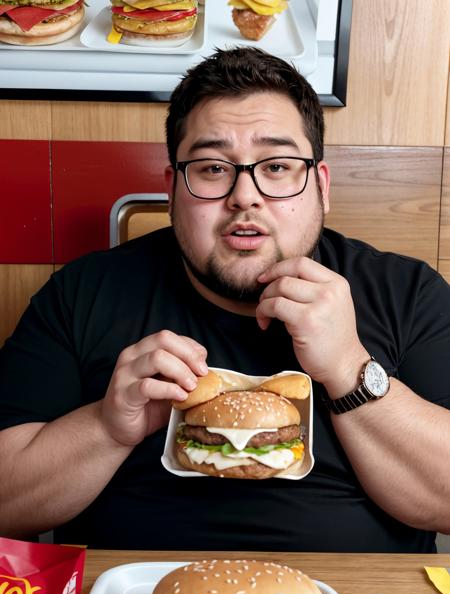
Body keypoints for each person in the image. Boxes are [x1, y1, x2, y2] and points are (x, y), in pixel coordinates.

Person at [0, 47, 450, 553]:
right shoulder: (83, 293)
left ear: (321, 187)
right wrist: (106, 427)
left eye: (277, 166)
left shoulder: (407, 292)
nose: (245, 196)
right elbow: (6, 502)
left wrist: (349, 368)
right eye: (213, 168)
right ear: (172, 192)